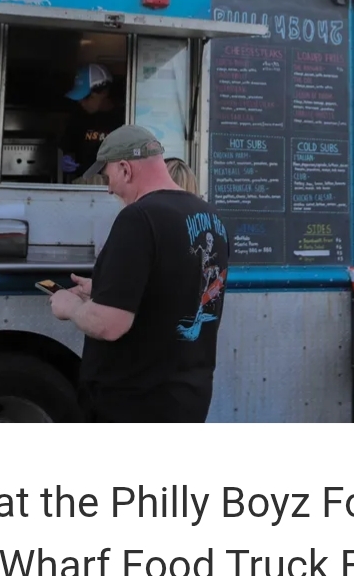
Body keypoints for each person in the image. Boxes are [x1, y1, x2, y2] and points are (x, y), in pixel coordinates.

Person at [49, 125, 229, 422]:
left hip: (132, 402)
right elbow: (177, 290)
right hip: (188, 399)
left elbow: (110, 325)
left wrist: (70, 307)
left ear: (125, 168)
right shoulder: (212, 217)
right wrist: (105, 289)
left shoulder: (138, 218)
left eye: (107, 177)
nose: (109, 189)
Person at [59, 61, 123, 181]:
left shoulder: (124, 118)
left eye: (86, 97)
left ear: (104, 92)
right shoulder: (78, 118)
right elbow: (66, 146)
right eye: (79, 98)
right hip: (82, 185)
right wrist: (65, 158)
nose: (81, 102)